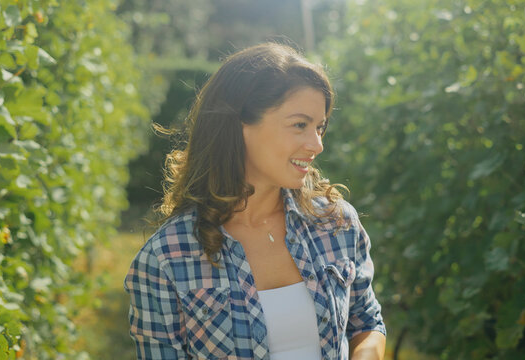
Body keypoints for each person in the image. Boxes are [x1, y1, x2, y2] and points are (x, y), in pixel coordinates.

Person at [124, 42, 386, 360]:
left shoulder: (336, 223)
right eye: (300, 125)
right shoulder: (166, 259)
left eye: (319, 127)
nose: (317, 144)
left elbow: (367, 323)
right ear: (240, 124)